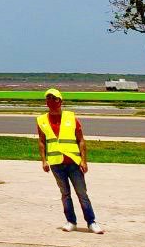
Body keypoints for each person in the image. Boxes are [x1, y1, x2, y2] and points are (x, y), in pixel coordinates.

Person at [37, 88, 103, 234]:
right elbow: (42, 141)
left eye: (55, 99)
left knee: (82, 193)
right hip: (56, 163)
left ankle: (91, 222)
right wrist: (44, 160)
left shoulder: (71, 117)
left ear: (61, 101)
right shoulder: (41, 120)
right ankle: (71, 221)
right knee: (65, 194)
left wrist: (84, 160)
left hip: (73, 162)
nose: (52, 101)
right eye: (48, 98)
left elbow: (81, 140)